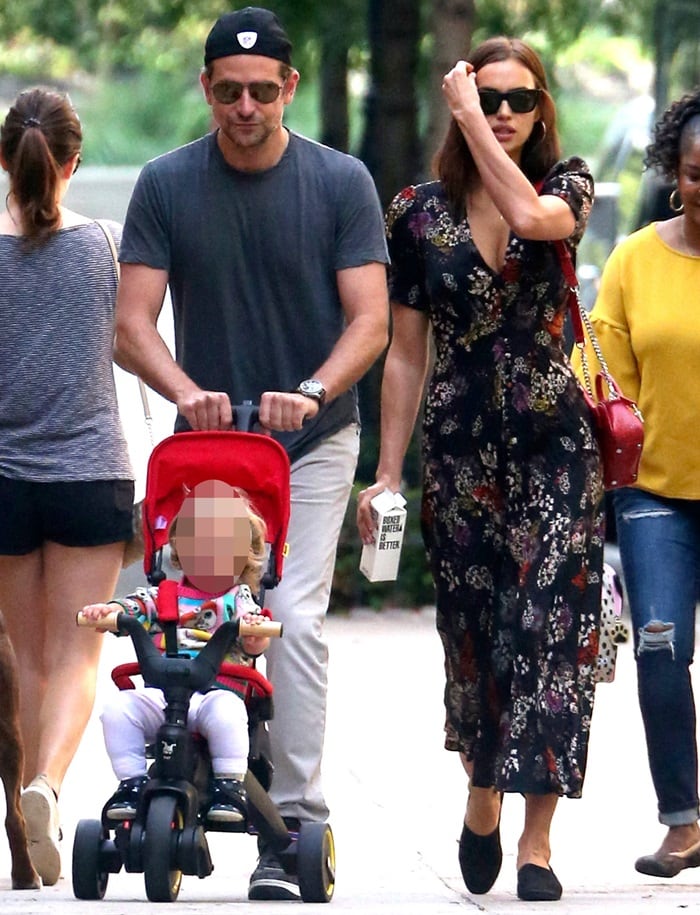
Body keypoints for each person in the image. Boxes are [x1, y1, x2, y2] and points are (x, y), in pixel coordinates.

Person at [112, 6, 389, 901]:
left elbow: (373, 322)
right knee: (180, 616)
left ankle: (298, 815)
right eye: (228, 91)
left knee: (293, 617)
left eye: (261, 92)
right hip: (210, 449)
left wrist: (309, 388)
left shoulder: (340, 182)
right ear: (206, 89)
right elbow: (129, 327)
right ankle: (176, 769)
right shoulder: (165, 184)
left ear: (289, 90)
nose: (244, 107)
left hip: (308, 444)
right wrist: (183, 387)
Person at [358, 37, 604, 902]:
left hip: (558, 452)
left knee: (550, 638)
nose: (502, 110)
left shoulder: (566, 183)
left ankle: (538, 842)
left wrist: (467, 120)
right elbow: (403, 353)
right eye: (487, 96)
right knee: (477, 642)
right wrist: (387, 473)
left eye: (520, 98)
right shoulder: (418, 211)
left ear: (543, 110)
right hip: (461, 456)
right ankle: (481, 789)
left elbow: (538, 225)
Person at [0, 87, 134, 885]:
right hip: (91, 471)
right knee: (78, 654)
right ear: (72, 162)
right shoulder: (105, 248)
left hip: (6, 477)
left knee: (22, 656)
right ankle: (50, 783)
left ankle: (20, 806)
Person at [571, 88, 700, 878]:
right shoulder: (635, 260)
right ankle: (683, 822)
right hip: (655, 490)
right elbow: (602, 374)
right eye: (696, 171)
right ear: (674, 172)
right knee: (659, 648)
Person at [81, 481, 271, 826]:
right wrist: (108, 613)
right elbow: (134, 606)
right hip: (164, 696)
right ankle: (132, 782)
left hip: (216, 692)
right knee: (118, 711)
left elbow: (254, 630)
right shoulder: (163, 595)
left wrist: (256, 635)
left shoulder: (238, 599)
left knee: (227, 713)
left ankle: (229, 785)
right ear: (181, 549)